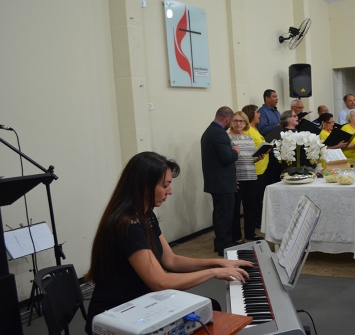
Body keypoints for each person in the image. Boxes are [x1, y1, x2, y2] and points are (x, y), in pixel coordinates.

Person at [84, 152, 252, 334]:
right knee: (210, 309)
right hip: (116, 313)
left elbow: (171, 260)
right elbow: (160, 282)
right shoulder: (128, 224)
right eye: (165, 185)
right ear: (144, 186)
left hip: (142, 301)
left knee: (211, 306)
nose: (170, 191)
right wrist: (213, 272)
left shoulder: (146, 215)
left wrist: (218, 262)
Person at [201, 107, 240, 256]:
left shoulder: (210, 131)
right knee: (224, 216)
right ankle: (225, 246)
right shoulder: (219, 134)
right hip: (222, 182)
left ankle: (220, 244)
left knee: (220, 214)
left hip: (217, 181)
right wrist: (235, 151)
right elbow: (227, 158)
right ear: (227, 120)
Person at [228, 111, 264, 242]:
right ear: (231, 123)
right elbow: (228, 159)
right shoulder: (228, 138)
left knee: (251, 207)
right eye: (235, 121)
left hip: (251, 175)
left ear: (245, 123)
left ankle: (250, 233)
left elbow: (250, 158)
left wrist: (258, 157)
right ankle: (236, 236)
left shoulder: (249, 138)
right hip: (237, 177)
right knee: (235, 209)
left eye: (241, 121)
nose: (238, 123)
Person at [242, 105, 269, 229]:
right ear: (250, 114)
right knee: (253, 200)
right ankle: (254, 224)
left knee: (259, 199)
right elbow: (248, 150)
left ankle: (258, 221)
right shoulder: (247, 130)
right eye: (257, 112)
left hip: (262, 168)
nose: (260, 114)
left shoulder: (255, 128)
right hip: (255, 170)